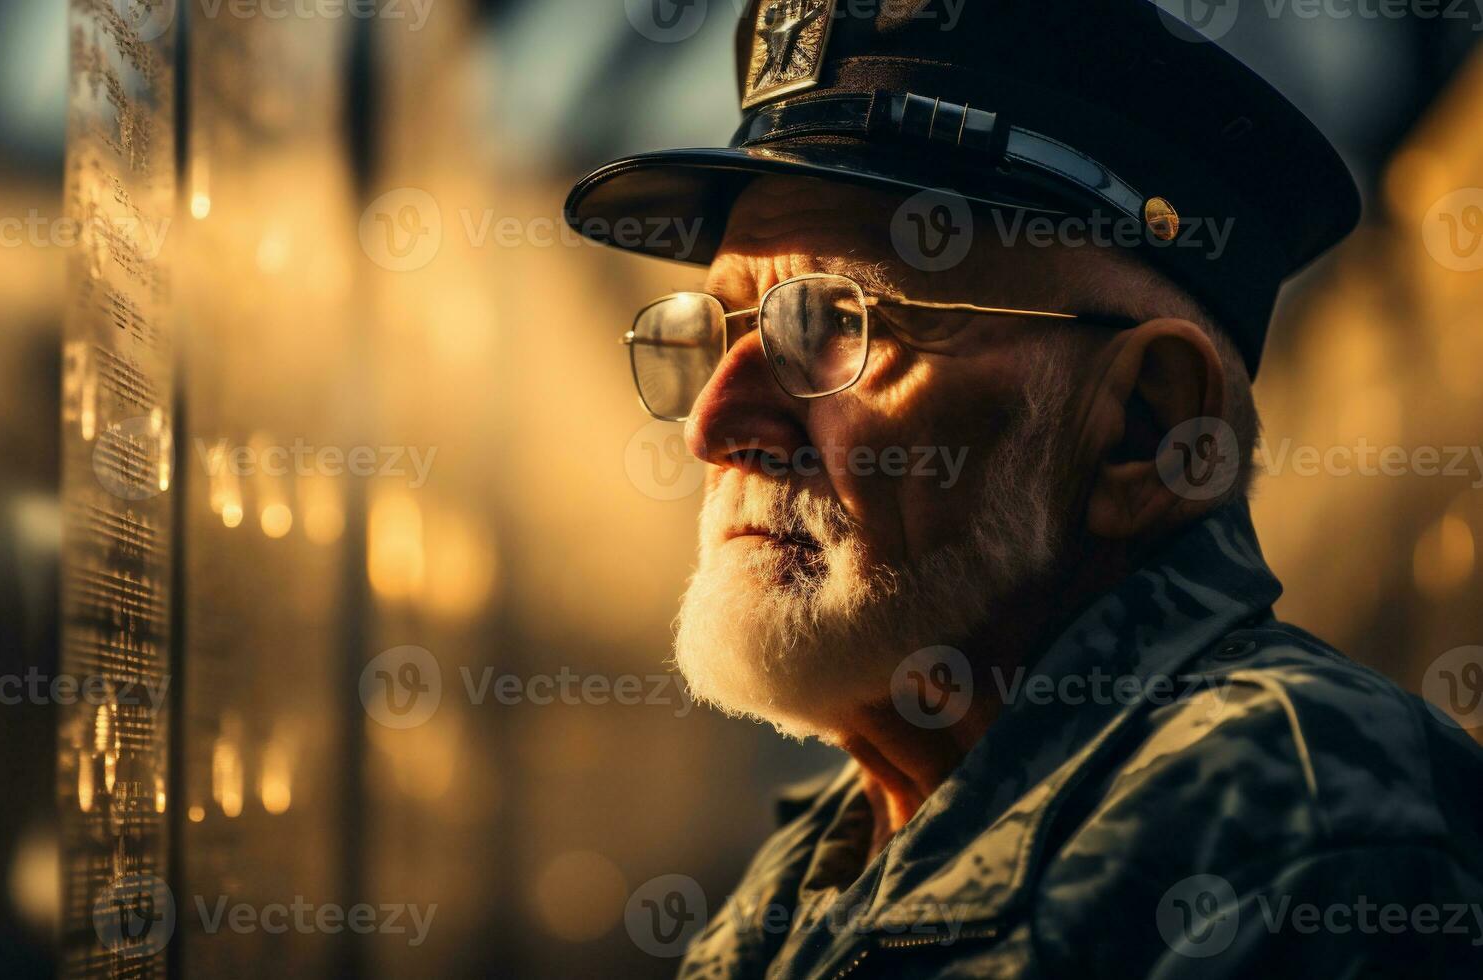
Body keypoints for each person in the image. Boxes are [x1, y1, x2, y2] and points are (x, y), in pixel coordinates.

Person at [565, 1, 1483, 976]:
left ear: (1146, 428)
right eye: (714, 333)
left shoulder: (1291, 823)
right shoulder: (825, 857)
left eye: (833, 325)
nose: (714, 423)